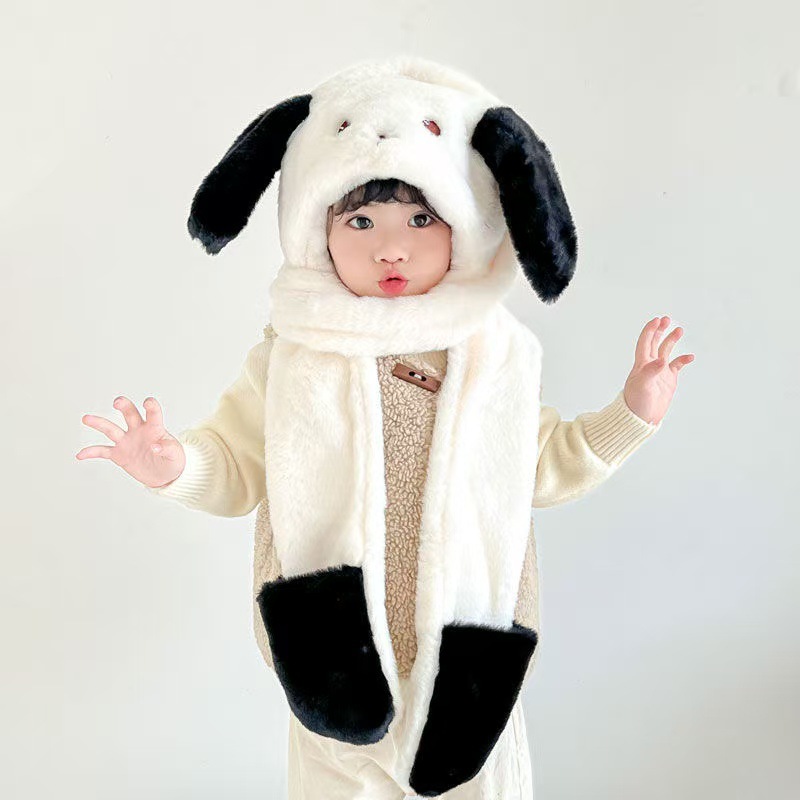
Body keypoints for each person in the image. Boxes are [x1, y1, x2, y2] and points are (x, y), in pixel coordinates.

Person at [77, 58, 694, 799]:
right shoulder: (293, 357)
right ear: (315, 229)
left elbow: (542, 465)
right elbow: (237, 466)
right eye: (360, 221)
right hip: (328, 652)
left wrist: (631, 414)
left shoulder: (490, 360)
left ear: (466, 226)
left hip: (470, 665)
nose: (390, 247)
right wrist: (175, 465)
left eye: (421, 219)